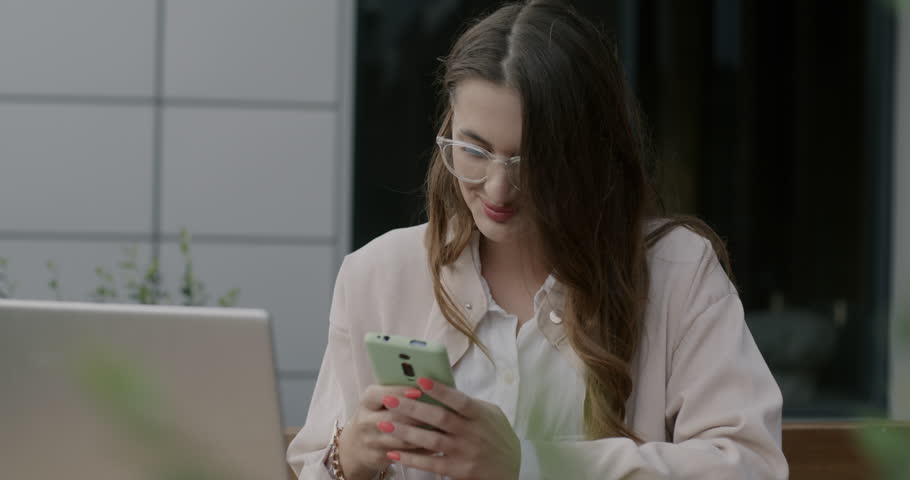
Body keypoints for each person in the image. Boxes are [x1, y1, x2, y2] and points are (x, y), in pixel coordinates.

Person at [287, 1, 788, 478]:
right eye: (474, 150)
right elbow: (313, 461)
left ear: (590, 153)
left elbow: (748, 466)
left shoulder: (675, 271)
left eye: (533, 161)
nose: (499, 189)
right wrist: (348, 457)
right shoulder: (378, 273)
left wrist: (529, 465)